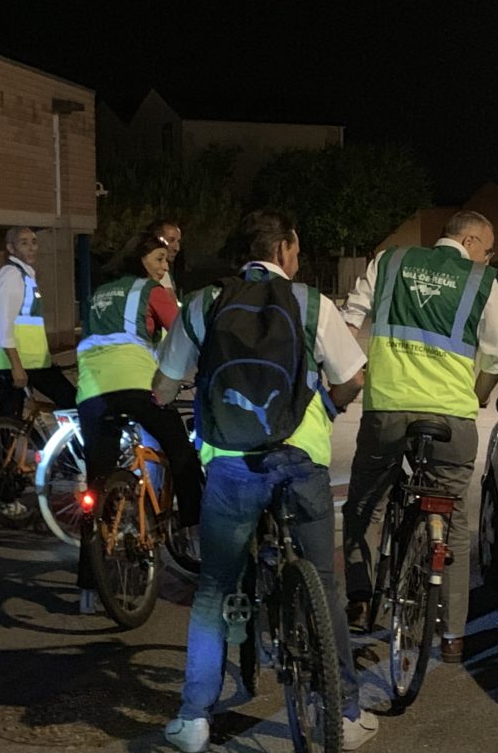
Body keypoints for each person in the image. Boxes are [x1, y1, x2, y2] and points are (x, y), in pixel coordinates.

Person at [154, 210, 378, 753]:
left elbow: (162, 387)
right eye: (296, 250)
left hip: (231, 464)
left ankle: (193, 719)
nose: (297, 259)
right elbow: (354, 380)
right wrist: (321, 405)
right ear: (282, 249)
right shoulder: (312, 304)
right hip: (300, 461)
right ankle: (345, 715)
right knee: (323, 584)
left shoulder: (204, 305)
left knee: (213, 589)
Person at [340, 209, 498, 664]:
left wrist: (345, 377)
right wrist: (477, 395)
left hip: (388, 411)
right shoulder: (480, 280)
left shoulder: (389, 261)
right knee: (454, 526)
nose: (487, 257)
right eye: (488, 249)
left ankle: (360, 597)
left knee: (364, 506)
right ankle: (453, 635)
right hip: (451, 420)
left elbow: (349, 319)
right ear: (472, 241)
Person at [75, 231, 203, 597]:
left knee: (97, 483)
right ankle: (190, 533)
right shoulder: (151, 291)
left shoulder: (99, 293)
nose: (165, 266)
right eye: (159, 259)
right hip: (134, 384)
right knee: (180, 451)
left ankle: (89, 580)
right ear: (141, 258)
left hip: (91, 389)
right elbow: (183, 335)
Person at [0, 226, 76, 517]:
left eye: (34, 242)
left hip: (32, 361)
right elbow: (3, 324)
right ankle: (9, 496)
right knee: (13, 423)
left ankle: (53, 460)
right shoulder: (11, 276)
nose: (32, 247)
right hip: (20, 363)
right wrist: (16, 366)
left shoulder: (26, 275)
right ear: (11, 248)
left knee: (17, 420)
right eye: (24, 242)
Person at [146, 218, 182, 295]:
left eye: (178, 241)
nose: (177, 248)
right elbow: (171, 305)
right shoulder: (159, 272)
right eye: (171, 240)